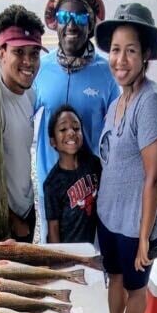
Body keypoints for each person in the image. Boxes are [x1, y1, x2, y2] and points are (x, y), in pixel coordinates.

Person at [95, 4, 157, 313]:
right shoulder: (118, 101)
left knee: (135, 285)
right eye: (115, 49)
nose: (120, 59)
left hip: (136, 223)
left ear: (146, 57)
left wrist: (144, 238)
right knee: (115, 278)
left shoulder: (151, 101)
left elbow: (154, 177)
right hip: (112, 217)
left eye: (131, 50)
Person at [34, 0, 118, 240]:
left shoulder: (108, 74)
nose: (71, 25)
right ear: (55, 22)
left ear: (91, 24)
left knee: (92, 264)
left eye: (80, 18)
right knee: (54, 262)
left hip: (91, 190)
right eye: (64, 16)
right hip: (52, 187)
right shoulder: (40, 69)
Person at [0, 5, 46, 242]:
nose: (28, 62)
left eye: (34, 54)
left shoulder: (29, 94)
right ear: (1, 52)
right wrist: (13, 220)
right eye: (19, 52)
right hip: (6, 220)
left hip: (27, 206)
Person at [44, 105, 101, 245]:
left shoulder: (94, 164)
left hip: (92, 247)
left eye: (76, 128)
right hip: (68, 252)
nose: (71, 133)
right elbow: (53, 228)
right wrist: (59, 262)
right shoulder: (52, 183)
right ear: (53, 141)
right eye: (63, 129)